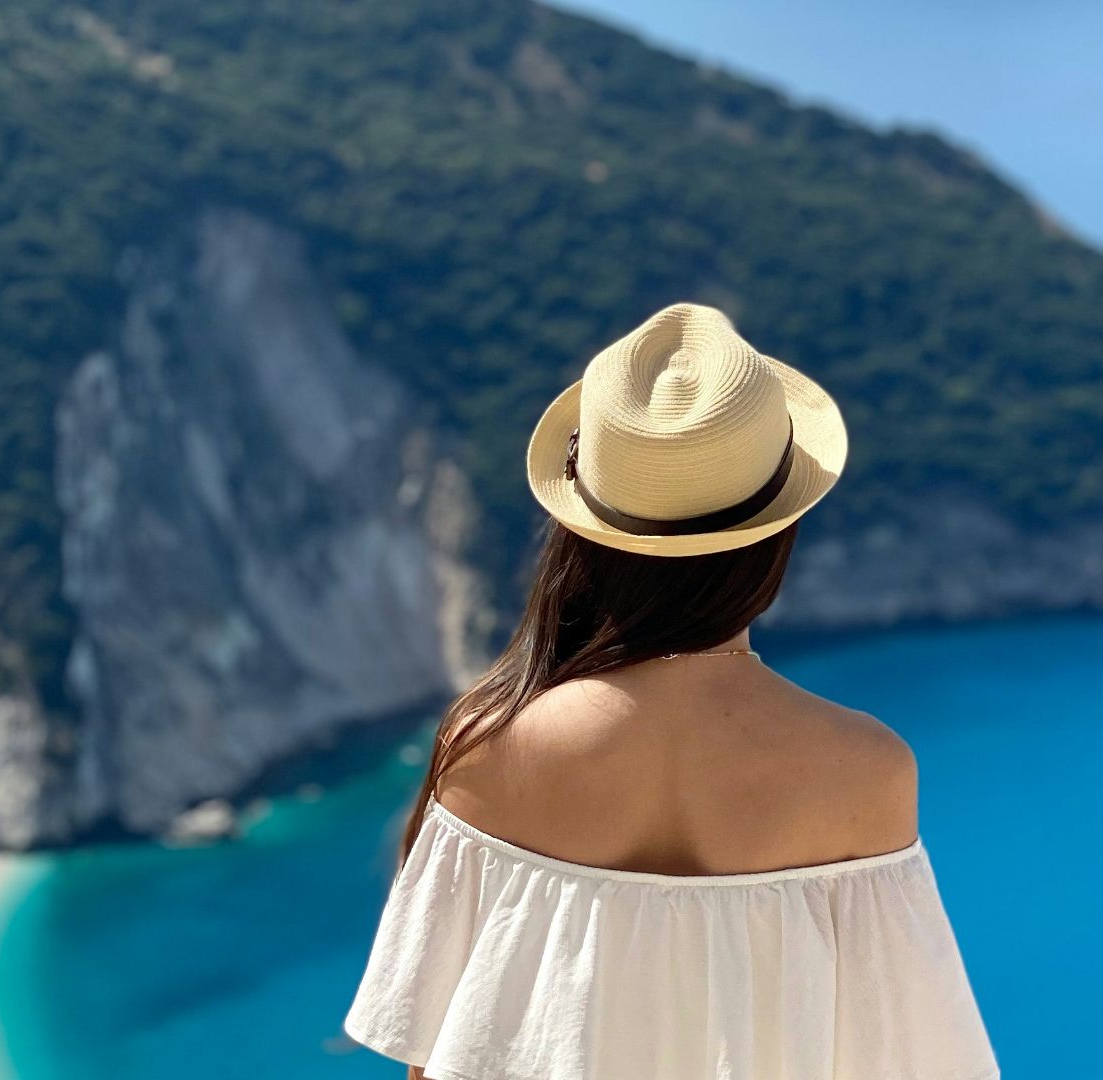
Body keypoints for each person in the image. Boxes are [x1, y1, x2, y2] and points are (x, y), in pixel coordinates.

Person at [343, 303, 998, 1079]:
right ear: (775, 535)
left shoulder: (489, 744)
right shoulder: (867, 772)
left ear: (583, 526)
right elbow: (906, 1060)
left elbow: (436, 1063)